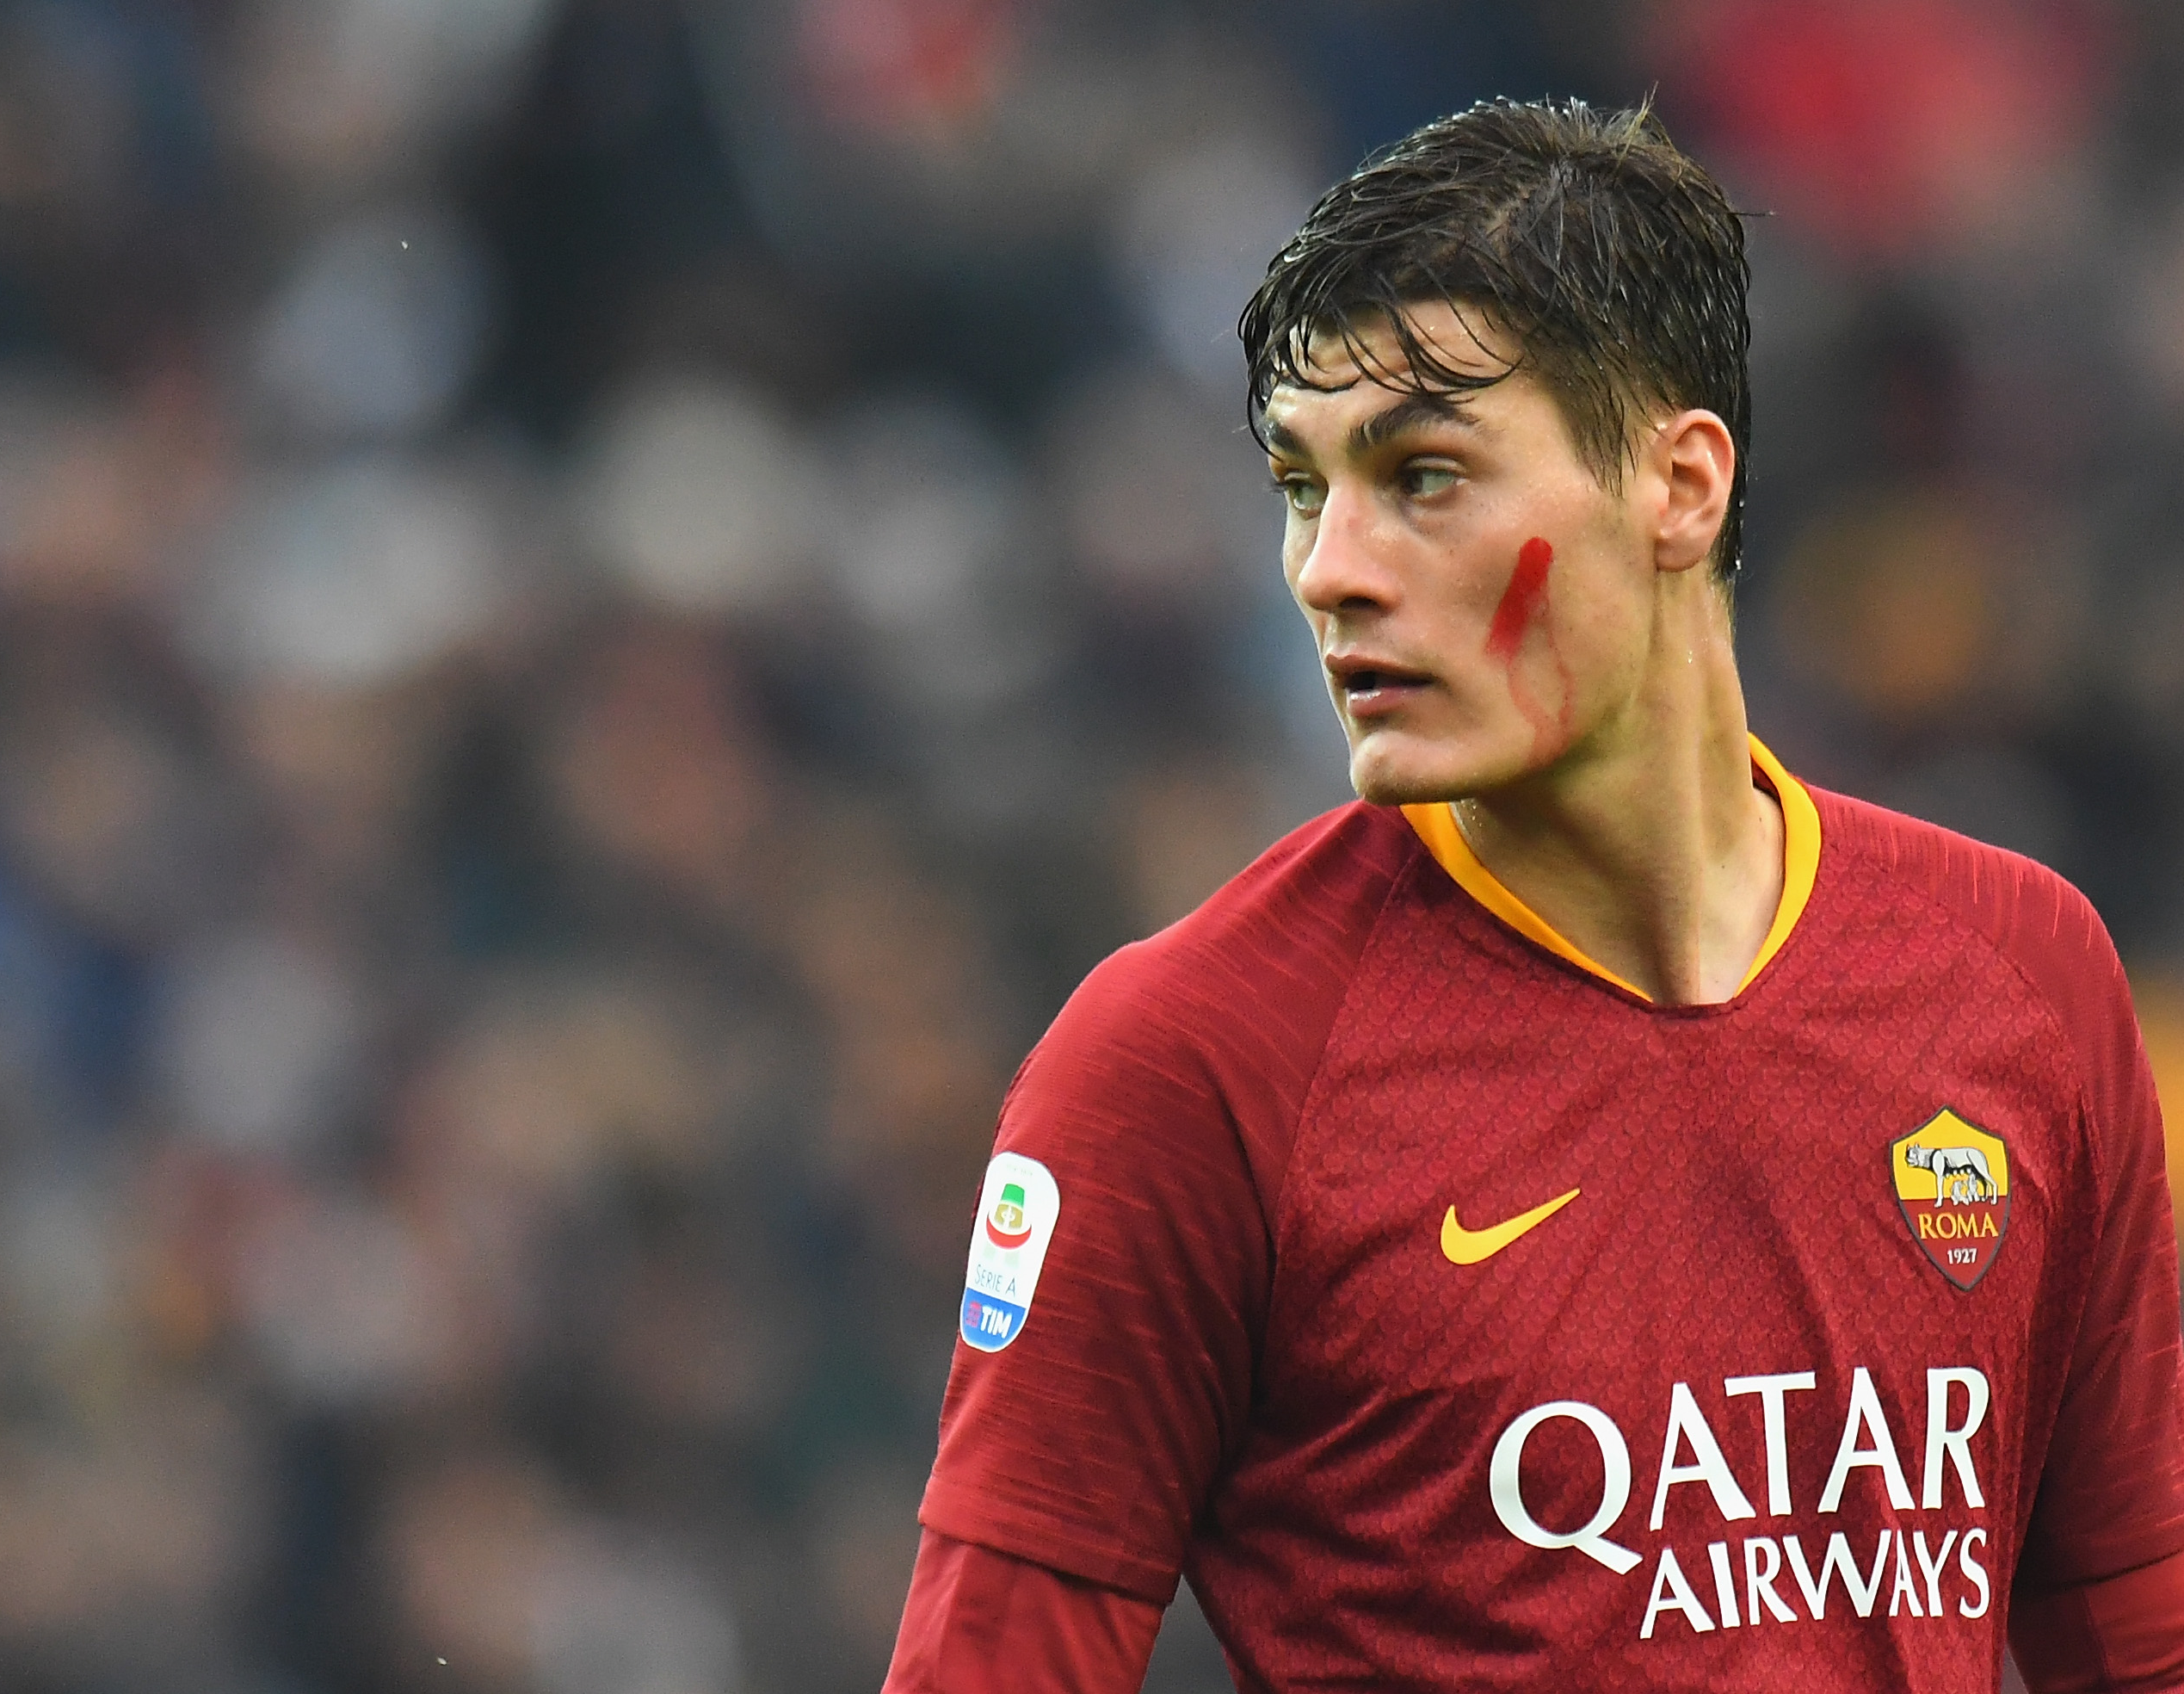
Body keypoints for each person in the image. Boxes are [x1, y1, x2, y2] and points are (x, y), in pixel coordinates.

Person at [883, 98, 2184, 1691]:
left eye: (1424, 474)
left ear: (1679, 488)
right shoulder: (1188, 1066)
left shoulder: (2020, 970)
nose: (1327, 566)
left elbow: (2139, 1635)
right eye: (1304, 484)